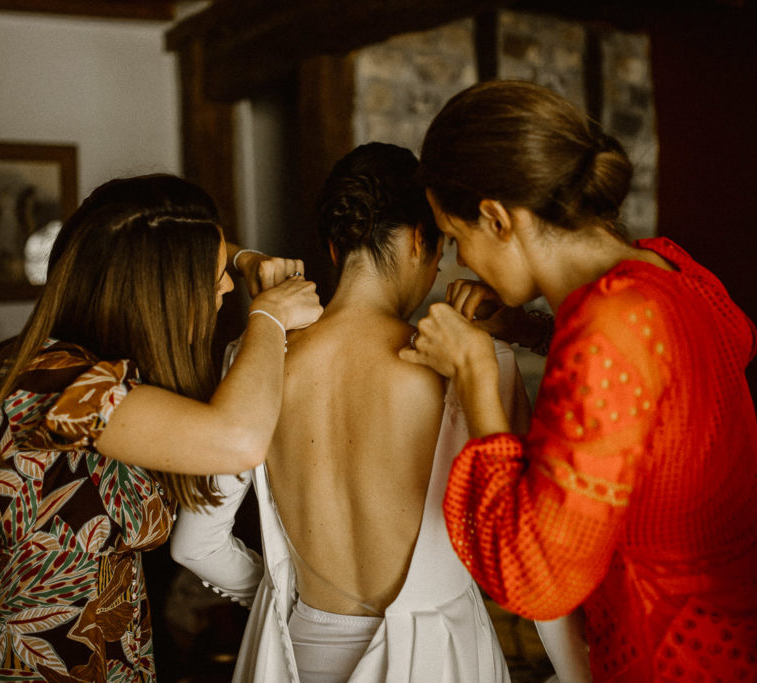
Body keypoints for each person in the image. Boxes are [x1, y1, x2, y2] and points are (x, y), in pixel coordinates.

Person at [400, 80, 757, 682]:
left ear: (498, 218)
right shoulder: (665, 272)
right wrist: (527, 329)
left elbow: (540, 579)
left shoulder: (607, 326)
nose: (458, 262)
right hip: (756, 637)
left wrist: (477, 375)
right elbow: (721, 349)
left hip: (677, 655)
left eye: (455, 238)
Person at [170, 143, 590, 682]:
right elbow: (533, 554)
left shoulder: (257, 355)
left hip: (298, 653)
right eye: (440, 252)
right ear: (421, 240)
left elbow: (195, 543)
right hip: (441, 661)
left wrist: (287, 591)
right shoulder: (475, 363)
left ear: (332, 245)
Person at [0, 173, 322, 681]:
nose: (228, 286)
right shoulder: (52, 380)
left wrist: (244, 258)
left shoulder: (114, 373)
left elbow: (159, 234)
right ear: (161, 286)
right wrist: (269, 318)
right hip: (34, 665)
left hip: (116, 657)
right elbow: (238, 441)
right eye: (215, 275)